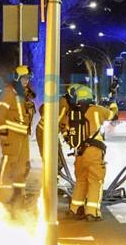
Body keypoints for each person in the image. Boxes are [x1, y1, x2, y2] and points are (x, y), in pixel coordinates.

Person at [65, 85, 118, 221]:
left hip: (79, 153)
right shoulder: (96, 110)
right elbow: (113, 115)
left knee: (81, 181)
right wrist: (112, 101)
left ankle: (75, 209)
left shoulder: (72, 113)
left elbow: (66, 131)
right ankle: (92, 212)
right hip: (94, 151)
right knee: (96, 181)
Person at [0, 65, 35, 209]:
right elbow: (1, 115)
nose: (26, 81)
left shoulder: (23, 94)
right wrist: (4, 136)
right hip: (11, 135)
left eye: (28, 78)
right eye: (24, 78)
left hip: (23, 135)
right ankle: (2, 193)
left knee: (22, 167)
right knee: (8, 164)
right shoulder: (8, 93)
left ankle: (19, 195)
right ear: (17, 78)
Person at [36, 83, 80, 159]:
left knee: (56, 159)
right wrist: (67, 137)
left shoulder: (62, 101)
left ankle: (56, 169)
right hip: (45, 132)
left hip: (49, 132)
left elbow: (42, 108)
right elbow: (62, 122)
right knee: (51, 160)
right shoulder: (64, 105)